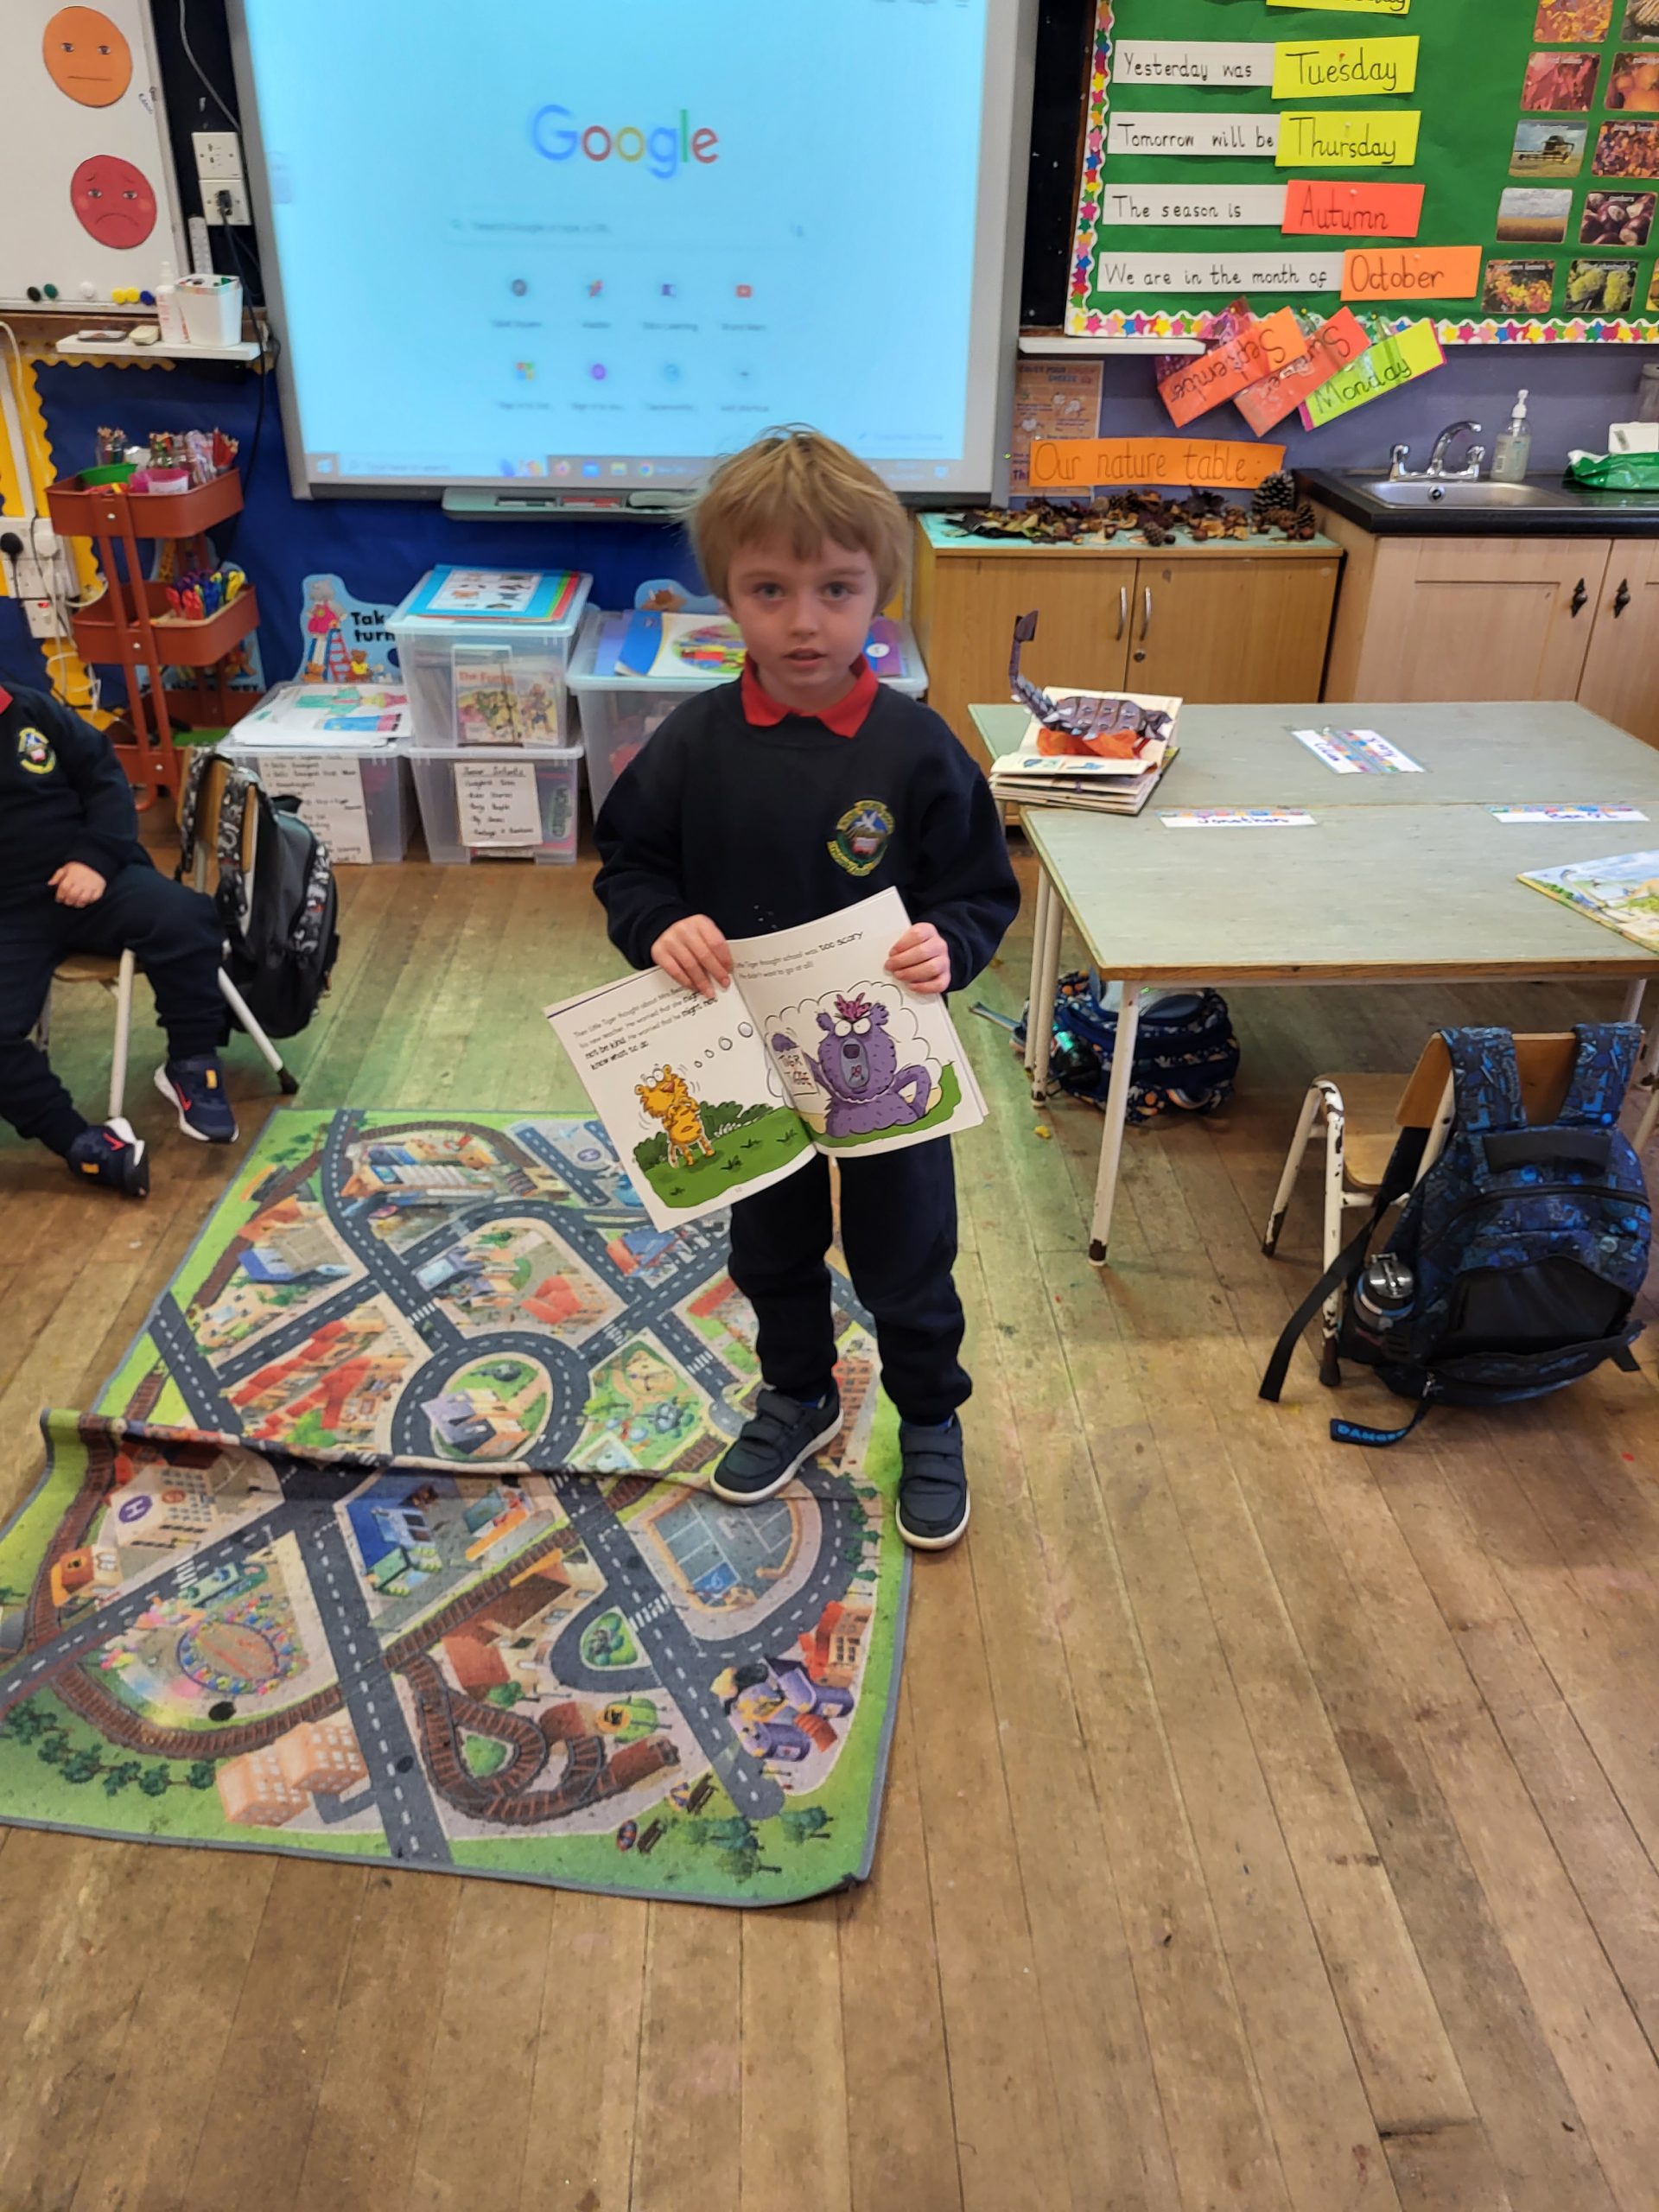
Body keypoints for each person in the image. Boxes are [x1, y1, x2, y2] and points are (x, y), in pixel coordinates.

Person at [594, 429, 1019, 1551]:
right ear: (726, 595)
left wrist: (948, 945)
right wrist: (659, 924)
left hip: (890, 1061)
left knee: (907, 1254)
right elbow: (630, 868)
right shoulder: (693, 744)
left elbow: (980, 890)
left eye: (836, 589)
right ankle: (798, 1391)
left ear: (879, 590)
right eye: (769, 590)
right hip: (740, 1058)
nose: (804, 621)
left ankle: (929, 1414)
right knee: (769, 1249)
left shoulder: (918, 750)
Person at [0, 681, 237, 1196]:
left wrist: (94, 859)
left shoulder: (30, 708)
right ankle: (79, 1142)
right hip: (9, 916)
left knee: (184, 918)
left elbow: (105, 779)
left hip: (93, 876)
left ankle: (191, 1063)